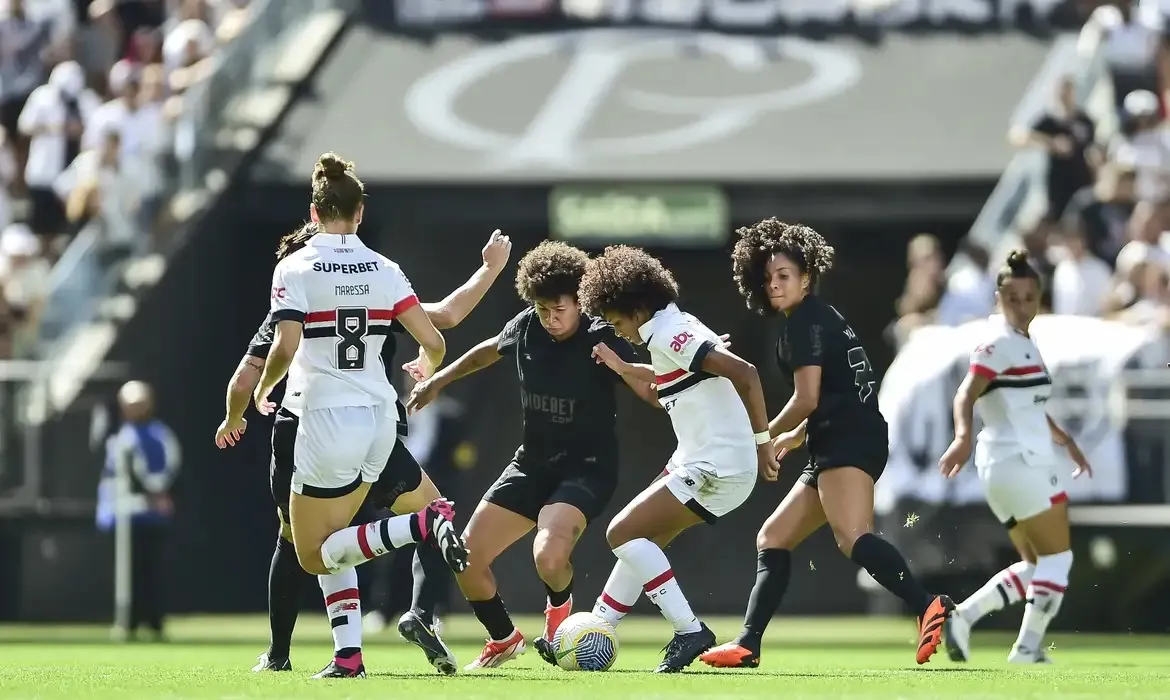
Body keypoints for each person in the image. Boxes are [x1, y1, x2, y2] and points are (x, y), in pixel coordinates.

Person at [215, 224, 511, 676]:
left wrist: (234, 417)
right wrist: (489, 271)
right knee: (424, 512)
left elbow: (246, 375)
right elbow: (445, 317)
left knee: (305, 546)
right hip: (375, 424)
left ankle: (285, 653)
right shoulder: (373, 289)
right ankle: (413, 616)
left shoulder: (291, 305)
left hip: (309, 428)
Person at [249, 153, 470, 679]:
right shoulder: (386, 268)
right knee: (339, 537)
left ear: (313, 210)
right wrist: (427, 365)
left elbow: (284, 345)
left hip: (322, 416)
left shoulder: (296, 264)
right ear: (360, 213)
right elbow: (434, 339)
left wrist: (263, 387)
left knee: (313, 554)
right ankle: (348, 657)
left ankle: (421, 523)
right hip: (379, 417)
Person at [700, 218, 952, 669]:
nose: (775, 285)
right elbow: (831, 393)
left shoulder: (804, 325)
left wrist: (763, 436)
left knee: (852, 536)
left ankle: (926, 604)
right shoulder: (819, 316)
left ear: (806, 278)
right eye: (769, 278)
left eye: (785, 277)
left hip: (848, 440)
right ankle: (747, 644)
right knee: (773, 537)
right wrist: (795, 436)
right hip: (841, 436)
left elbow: (808, 397)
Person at [405, 241, 658, 670]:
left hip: (587, 468)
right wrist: (438, 380)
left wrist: (630, 369)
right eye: (543, 310)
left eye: (559, 309)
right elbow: (486, 351)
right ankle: (503, 638)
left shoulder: (602, 335)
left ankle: (558, 622)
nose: (551, 318)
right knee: (465, 559)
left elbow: (650, 389)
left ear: (580, 301)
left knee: (548, 555)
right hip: (532, 463)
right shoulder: (526, 326)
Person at [579, 245, 773, 673]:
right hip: (705, 459)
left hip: (716, 463)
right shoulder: (662, 331)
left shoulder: (669, 331)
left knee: (621, 532)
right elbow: (660, 389)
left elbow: (746, 373)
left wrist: (764, 442)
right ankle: (598, 625)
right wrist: (621, 365)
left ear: (637, 306)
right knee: (641, 543)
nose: (618, 331)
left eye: (616, 322)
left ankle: (689, 630)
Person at [938, 250, 1092, 664]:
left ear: (1038, 298)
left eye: (1028, 298)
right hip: (1021, 461)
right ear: (998, 298)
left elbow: (1029, 405)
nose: (1021, 306)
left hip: (1008, 465)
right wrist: (962, 436)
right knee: (1059, 559)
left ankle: (963, 617)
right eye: (1013, 298)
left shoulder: (1024, 342)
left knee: (1037, 563)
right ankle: (1026, 649)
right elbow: (965, 393)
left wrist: (1066, 440)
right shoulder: (997, 342)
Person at [96, 380, 180, 641]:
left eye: (140, 403)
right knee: (125, 573)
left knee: (150, 570)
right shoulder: (117, 436)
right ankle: (127, 622)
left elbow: (169, 467)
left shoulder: (159, 434)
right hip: (120, 515)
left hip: (149, 516)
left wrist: (154, 490)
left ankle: (154, 622)